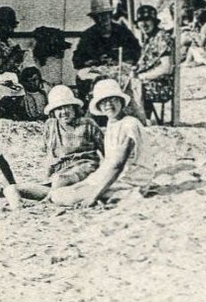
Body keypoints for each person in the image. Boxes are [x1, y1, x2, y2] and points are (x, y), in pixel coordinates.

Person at [43, 79, 155, 207]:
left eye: (112, 99)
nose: (108, 105)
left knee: (63, 197)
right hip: (117, 176)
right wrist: (85, 183)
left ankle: (127, 194)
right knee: (62, 192)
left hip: (131, 179)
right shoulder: (113, 124)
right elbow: (108, 163)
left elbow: (117, 165)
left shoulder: (129, 124)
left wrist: (93, 196)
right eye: (103, 102)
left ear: (121, 101)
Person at [72, 0, 140, 101]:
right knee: (84, 77)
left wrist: (120, 62)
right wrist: (93, 62)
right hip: (98, 74)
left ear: (110, 15)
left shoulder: (122, 32)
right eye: (97, 17)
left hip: (120, 72)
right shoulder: (88, 35)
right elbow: (77, 60)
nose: (101, 20)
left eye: (104, 15)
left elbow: (136, 52)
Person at [133, 5, 176, 120]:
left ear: (154, 22)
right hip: (150, 83)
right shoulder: (149, 38)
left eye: (147, 20)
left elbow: (166, 67)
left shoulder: (161, 37)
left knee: (130, 87)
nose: (144, 24)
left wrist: (142, 76)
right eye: (140, 21)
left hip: (162, 85)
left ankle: (141, 119)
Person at [0, 6, 26, 74]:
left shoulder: (10, 42)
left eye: (11, 26)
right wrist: (13, 56)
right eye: (6, 26)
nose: (10, 30)